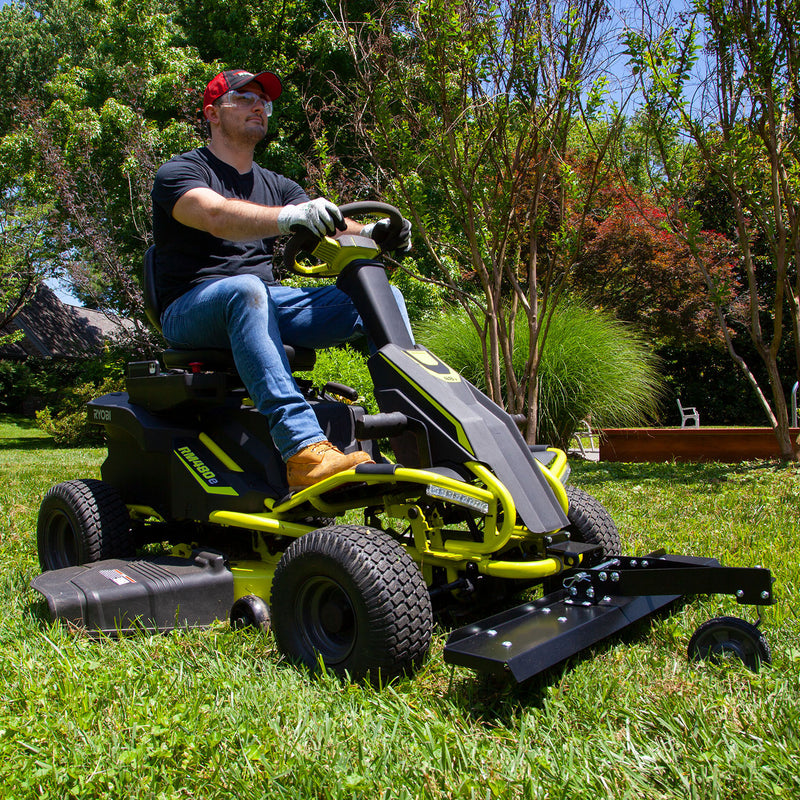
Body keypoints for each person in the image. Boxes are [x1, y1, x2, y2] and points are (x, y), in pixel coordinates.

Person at [151, 68, 412, 490]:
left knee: (384, 298)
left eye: (264, 100)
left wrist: (371, 232)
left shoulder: (276, 183)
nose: (259, 105)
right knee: (247, 289)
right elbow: (215, 215)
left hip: (261, 303)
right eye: (244, 97)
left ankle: (415, 435)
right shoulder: (180, 172)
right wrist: (290, 217)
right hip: (190, 309)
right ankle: (303, 448)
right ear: (212, 113)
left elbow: (332, 224)